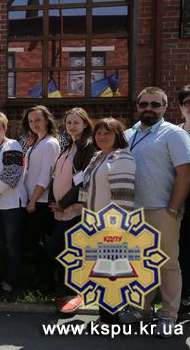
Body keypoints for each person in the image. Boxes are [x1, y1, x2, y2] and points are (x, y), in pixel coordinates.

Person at [119, 87, 190, 337]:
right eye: (144, 104)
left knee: (168, 264)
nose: (149, 108)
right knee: (138, 262)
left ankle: (168, 315)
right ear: (137, 106)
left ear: (165, 107)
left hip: (162, 210)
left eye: (155, 104)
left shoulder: (174, 134)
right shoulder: (128, 134)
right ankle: (141, 309)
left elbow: (185, 173)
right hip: (133, 211)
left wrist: (173, 207)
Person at [82, 117, 136, 325]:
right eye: (99, 132)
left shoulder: (122, 158)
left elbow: (123, 196)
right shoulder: (98, 156)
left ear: (118, 135)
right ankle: (105, 317)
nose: (102, 136)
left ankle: (109, 320)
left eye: (107, 133)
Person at [46, 108, 96, 313]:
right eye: (69, 123)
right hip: (60, 210)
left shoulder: (88, 147)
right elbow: (56, 176)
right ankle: (66, 292)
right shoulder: (68, 145)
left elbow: (83, 180)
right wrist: (53, 201)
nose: (72, 126)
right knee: (63, 251)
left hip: (75, 210)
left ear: (85, 124)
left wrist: (64, 203)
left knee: (57, 248)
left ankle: (76, 292)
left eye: (76, 122)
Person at [0, 112, 27, 293]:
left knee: (12, 244)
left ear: (5, 128)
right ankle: (4, 277)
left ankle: (12, 281)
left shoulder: (12, 145)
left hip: (12, 205)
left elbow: (12, 173)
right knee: (1, 242)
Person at [21, 105, 60, 291]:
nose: (34, 124)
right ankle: (40, 279)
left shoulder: (50, 143)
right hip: (32, 199)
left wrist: (33, 201)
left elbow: (45, 176)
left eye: (38, 120)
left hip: (40, 202)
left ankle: (47, 282)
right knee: (32, 243)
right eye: (30, 121)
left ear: (47, 120)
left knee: (34, 243)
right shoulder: (37, 142)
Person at [177, 85, 190, 311]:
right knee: (183, 248)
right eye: (188, 103)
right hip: (180, 199)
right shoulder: (175, 134)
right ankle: (184, 296)